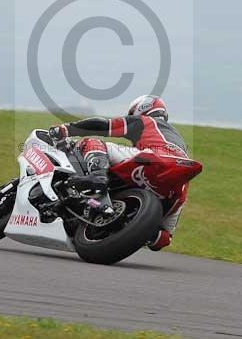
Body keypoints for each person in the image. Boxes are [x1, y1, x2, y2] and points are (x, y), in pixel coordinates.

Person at [48, 95, 189, 251]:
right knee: (163, 237)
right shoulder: (179, 140)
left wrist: (67, 129)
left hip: (153, 158)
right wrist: (142, 229)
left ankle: (98, 175)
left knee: (91, 142)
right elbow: (162, 242)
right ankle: (130, 222)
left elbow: (104, 125)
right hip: (179, 186)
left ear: (140, 110)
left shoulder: (144, 121)